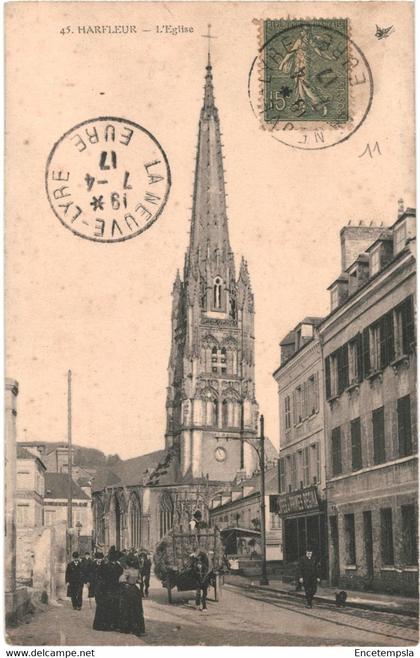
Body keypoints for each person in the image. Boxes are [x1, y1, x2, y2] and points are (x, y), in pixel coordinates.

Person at [118, 556, 146, 636]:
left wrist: (126, 582)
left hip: (128, 590)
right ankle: (137, 628)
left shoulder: (127, 571)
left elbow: (121, 580)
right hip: (135, 590)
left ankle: (127, 627)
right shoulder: (137, 571)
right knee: (136, 609)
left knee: (127, 608)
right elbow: (139, 581)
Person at [105, 547, 124, 631]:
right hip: (115, 588)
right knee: (115, 606)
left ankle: (112, 624)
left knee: (111, 606)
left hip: (110, 588)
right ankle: (115, 624)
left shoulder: (107, 566)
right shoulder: (118, 567)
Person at [92, 552, 109, 631]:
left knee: (101, 604)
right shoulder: (93, 564)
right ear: (96, 558)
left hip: (103, 587)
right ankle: (99, 623)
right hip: (96, 586)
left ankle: (101, 623)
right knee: (98, 603)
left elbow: (106, 576)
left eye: (100, 558)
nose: (99, 559)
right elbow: (90, 574)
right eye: (98, 558)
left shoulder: (105, 566)